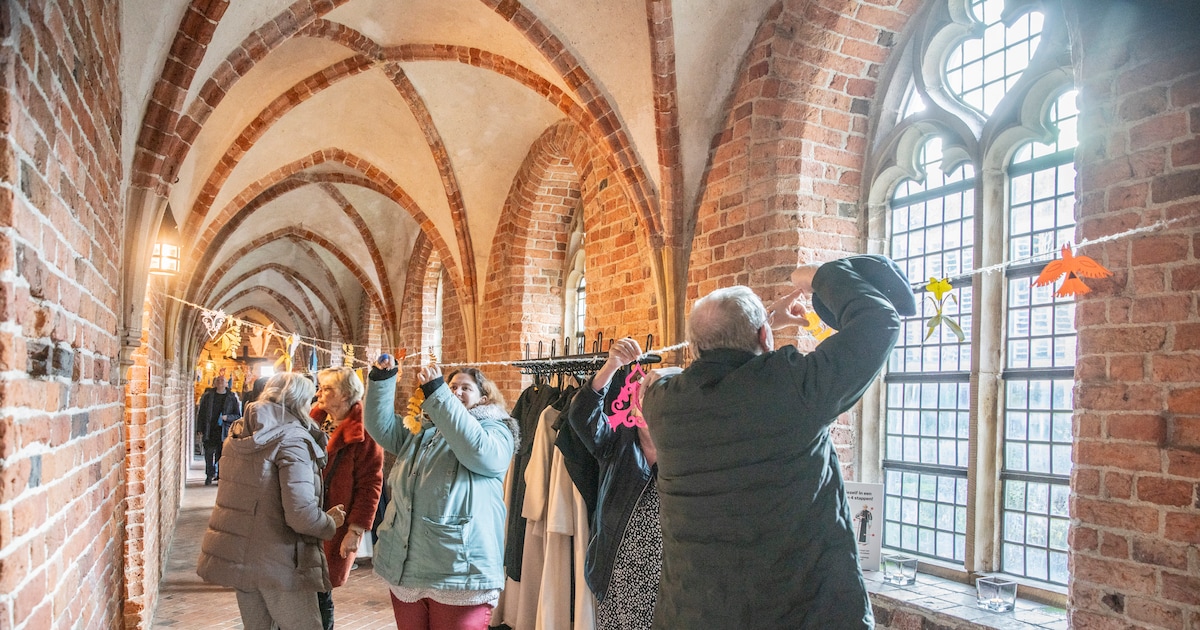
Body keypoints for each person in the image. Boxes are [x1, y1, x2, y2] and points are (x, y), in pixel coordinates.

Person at [641, 255, 914, 629]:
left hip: (692, 616)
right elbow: (878, 320)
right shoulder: (793, 391)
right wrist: (818, 277)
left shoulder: (662, 405)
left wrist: (760, 325)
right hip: (799, 615)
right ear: (764, 338)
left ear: (693, 348)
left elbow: (687, 375)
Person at [363, 357, 518, 630]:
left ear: (483, 398)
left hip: (459, 573)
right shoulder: (423, 433)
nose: (456, 392)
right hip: (406, 567)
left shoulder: (496, 431)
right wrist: (382, 380)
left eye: (465, 388)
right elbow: (381, 427)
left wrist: (439, 393)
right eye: (452, 386)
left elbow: (479, 452)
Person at [196, 372, 347, 630]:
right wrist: (329, 522)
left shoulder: (240, 434)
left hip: (241, 557)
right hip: (281, 561)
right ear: (299, 401)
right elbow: (300, 514)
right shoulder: (293, 441)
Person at [566, 337, 675, 630]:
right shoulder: (616, 443)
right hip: (619, 572)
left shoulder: (686, 451)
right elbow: (580, 415)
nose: (648, 404)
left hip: (672, 579)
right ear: (632, 402)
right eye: (643, 395)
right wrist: (613, 365)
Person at [310, 367, 385, 630]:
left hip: (334, 522)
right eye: (320, 386)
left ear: (345, 395)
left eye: (327, 388)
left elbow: (370, 484)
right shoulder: (312, 421)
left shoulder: (363, 434)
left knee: (320, 589)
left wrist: (355, 530)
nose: (319, 393)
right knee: (297, 587)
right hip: (303, 515)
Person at [195, 375, 242, 485]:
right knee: (208, 454)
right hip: (210, 430)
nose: (220, 382)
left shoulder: (231, 397)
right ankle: (209, 475)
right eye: (218, 381)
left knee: (221, 455)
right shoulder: (208, 397)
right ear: (215, 383)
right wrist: (200, 428)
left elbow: (238, 416)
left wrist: (227, 418)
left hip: (224, 431)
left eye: (223, 381)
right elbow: (201, 413)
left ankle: (220, 475)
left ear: (227, 384)